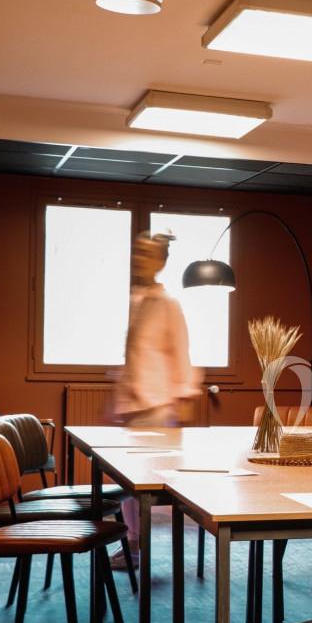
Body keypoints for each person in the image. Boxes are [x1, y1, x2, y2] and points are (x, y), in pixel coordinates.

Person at [111, 230, 202, 567]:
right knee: (126, 484)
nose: (138, 259)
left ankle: (136, 546)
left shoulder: (168, 304)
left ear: (161, 262)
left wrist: (182, 403)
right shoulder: (137, 299)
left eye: (146, 254)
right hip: (134, 406)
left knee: (144, 487)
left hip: (157, 407)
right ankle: (132, 544)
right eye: (136, 252)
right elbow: (136, 357)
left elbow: (182, 355)